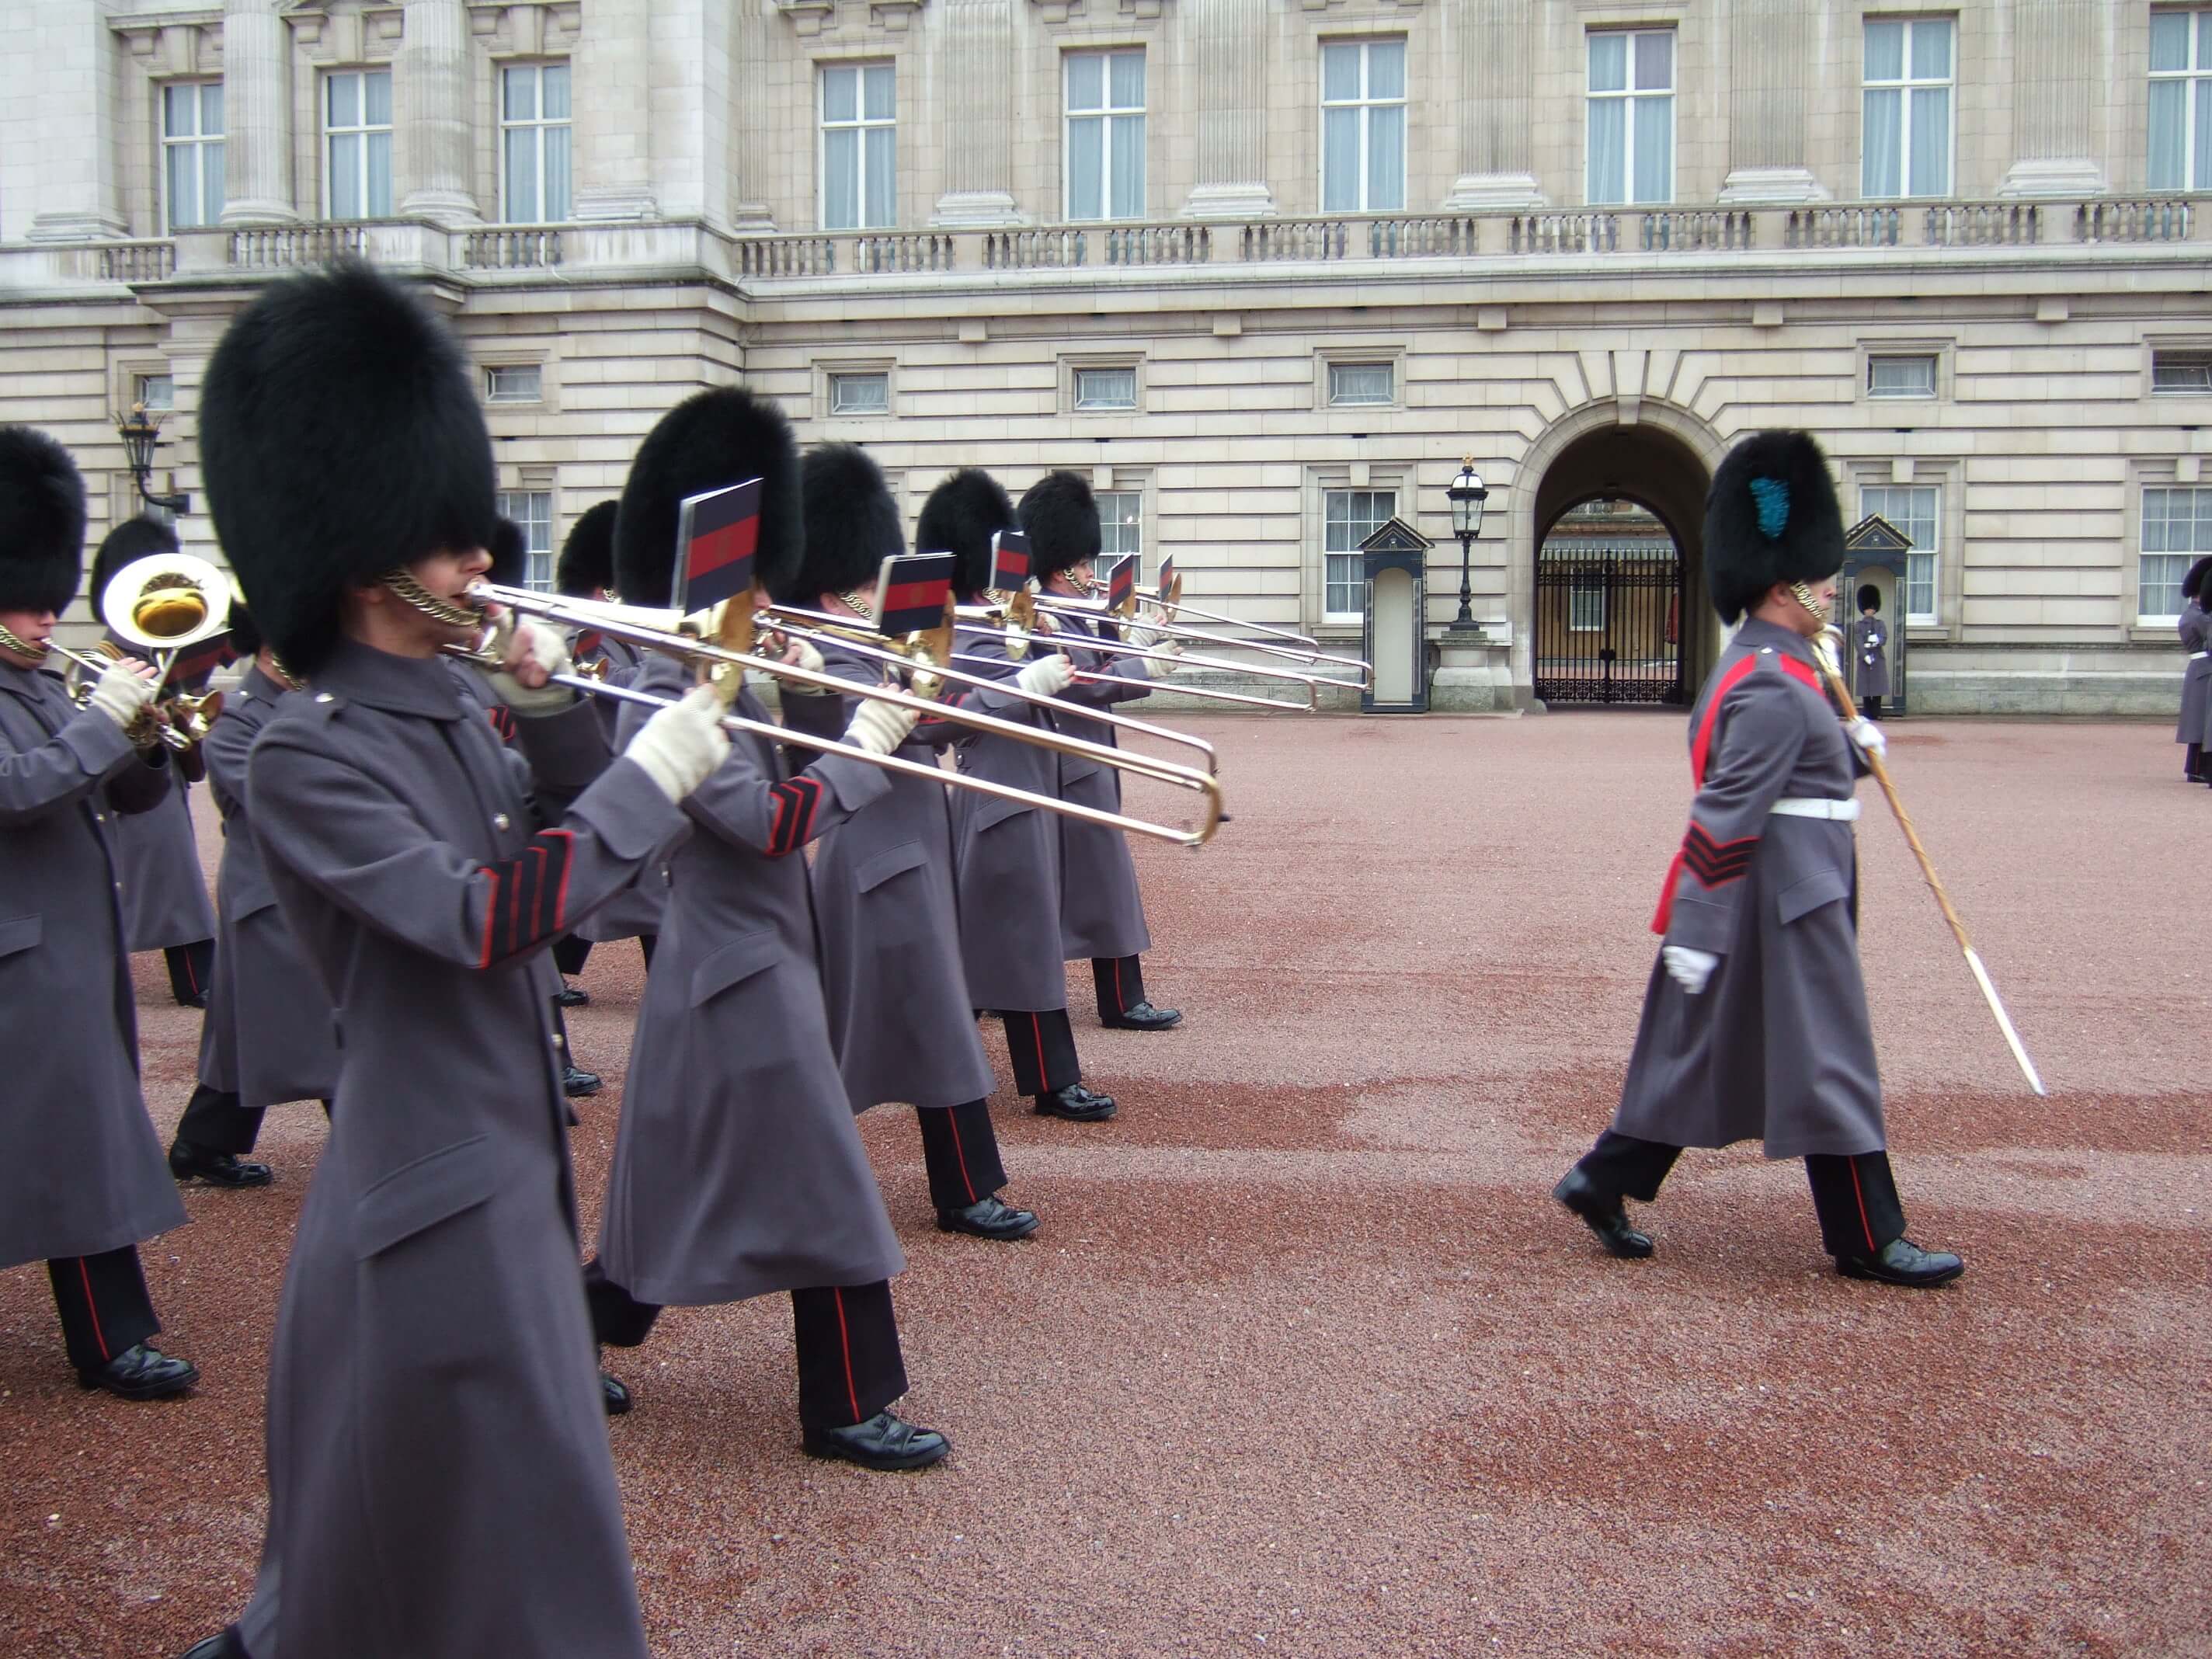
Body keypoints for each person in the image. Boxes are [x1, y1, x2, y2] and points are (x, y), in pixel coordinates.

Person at [179, 260, 731, 1659]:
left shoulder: (449, 705)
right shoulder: (307, 753)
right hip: (429, 1187)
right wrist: (651, 778)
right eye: (449, 543)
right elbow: (485, 918)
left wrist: (549, 715)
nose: (481, 560)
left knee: (444, 1527)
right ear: (363, 555)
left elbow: (560, 840)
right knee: (462, 1532)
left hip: (499, 1165)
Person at [585, 387, 950, 1471]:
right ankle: (845, 1404)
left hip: (756, 959)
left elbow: (792, 772)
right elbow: (764, 824)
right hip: (734, 967)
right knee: (825, 1184)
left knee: (671, 1186)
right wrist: (868, 745)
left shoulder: (728, 670)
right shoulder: (665, 690)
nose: (763, 594)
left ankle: (570, 1329)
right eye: (749, 577)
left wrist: (841, 698)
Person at [1551, 430, 1964, 1290]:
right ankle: (1869, 1237)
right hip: (1786, 897)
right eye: (1820, 578)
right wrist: (1696, 929)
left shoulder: (1778, 664)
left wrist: (1848, 749)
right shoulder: (1773, 680)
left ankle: (1602, 1178)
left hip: (1783, 887)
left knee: (1702, 1053)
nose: (1832, 590)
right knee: (1831, 1060)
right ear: (1783, 585)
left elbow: (1787, 777)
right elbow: (1727, 808)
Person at [775, 442, 1039, 1240]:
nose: (876, 589)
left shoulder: (875, 638)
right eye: (866, 579)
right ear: (836, 581)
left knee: (871, 1032)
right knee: (931, 1026)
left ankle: (791, 1169)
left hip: (909, 850)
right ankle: (962, 1190)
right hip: (877, 859)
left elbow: (934, 718)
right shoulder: (820, 649)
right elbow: (903, 727)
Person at [0, 424, 198, 1400]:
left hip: (71, 949)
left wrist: (147, 738)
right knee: (74, 1146)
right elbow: (17, 791)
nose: (50, 615)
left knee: (63, 1141)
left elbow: (132, 796)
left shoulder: (40, 683)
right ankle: (110, 1340)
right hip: (25, 959)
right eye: (29, 599)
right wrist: (101, 722)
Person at [922, 468, 1118, 1122]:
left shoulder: (1006, 615)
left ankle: (949, 1051)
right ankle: (1052, 1082)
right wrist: (1021, 683)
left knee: (995, 942)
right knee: (1025, 946)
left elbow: (1074, 672)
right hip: (999, 798)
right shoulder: (956, 629)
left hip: (1029, 789)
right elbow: (949, 716)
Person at [166, 597, 336, 1188]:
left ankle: (201, 1143)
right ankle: (377, 1146)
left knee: (248, 1031)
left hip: (304, 889)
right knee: (330, 1024)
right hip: (269, 893)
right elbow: (277, 802)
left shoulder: (311, 700)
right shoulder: (236, 717)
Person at [1020, 469, 1184, 1033]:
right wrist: (1146, 667)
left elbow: (1103, 657)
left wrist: (1140, 637)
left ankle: (992, 987)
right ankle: (1120, 999)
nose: (1091, 573)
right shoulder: (1042, 615)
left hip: (1087, 758)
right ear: (1060, 565)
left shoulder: (1074, 609)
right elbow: (1081, 681)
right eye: (1084, 564)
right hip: (1070, 763)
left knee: (1063, 884)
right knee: (1105, 883)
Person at [86, 514, 219, 1006]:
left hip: (164, 780)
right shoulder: (103, 657)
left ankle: (199, 978)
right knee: (173, 887)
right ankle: (198, 981)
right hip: (133, 787)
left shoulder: (162, 651)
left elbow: (190, 748)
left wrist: (184, 721)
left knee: (172, 885)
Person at [549, 497, 663, 996]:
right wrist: (670, 664)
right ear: (603, 588)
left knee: (614, 892)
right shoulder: (587, 635)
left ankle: (553, 969)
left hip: (624, 767)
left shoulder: (622, 633)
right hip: (603, 770)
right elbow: (608, 684)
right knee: (635, 893)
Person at [2177, 557, 2212, 784]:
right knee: (2202, 724)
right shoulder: (2199, 616)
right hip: (2204, 670)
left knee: (2201, 723)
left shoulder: (2194, 613)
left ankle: (2195, 768)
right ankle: (2198, 768)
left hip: (2200, 669)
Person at [1849, 584, 1890, 721]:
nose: (1870, 611)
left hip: (1877, 656)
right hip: (1864, 657)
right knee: (1865, 687)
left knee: (1878, 686)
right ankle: (1867, 711)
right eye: (1867, 608)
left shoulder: (1880, 623)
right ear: (1863, 609)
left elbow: (1884, 637)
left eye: (1872, 608)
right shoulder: (1859, 625)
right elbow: (1858, 642)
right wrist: (1865, 655)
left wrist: (1877, 641)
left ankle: (1877, 711)